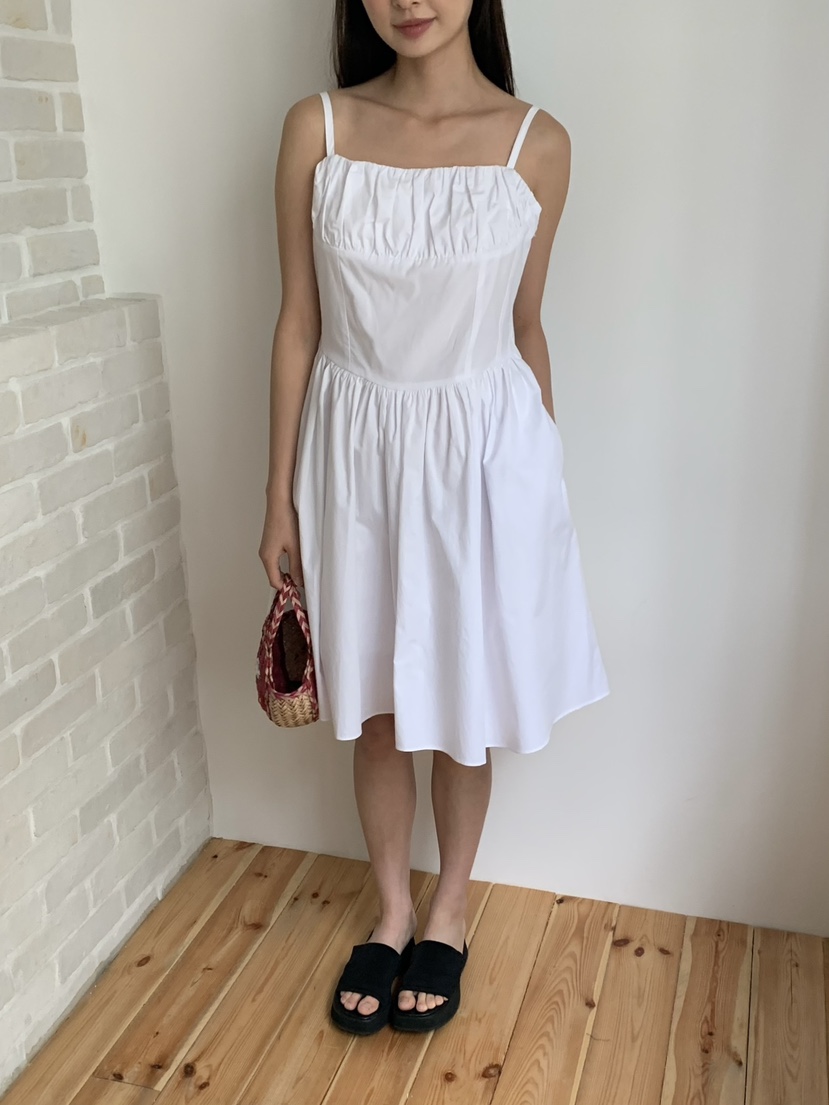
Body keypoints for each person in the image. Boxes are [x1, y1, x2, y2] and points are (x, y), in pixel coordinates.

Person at [259, 0, 610, 1036]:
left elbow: (525, 327)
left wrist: (541, 490)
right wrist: (277, 493)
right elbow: (297, 323)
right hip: (352, 457)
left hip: (483, 466)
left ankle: (448, 910)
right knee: (372, 705)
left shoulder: (535, 143)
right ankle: (392, 909)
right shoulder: (316, 128)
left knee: (462, 700)